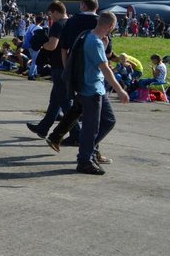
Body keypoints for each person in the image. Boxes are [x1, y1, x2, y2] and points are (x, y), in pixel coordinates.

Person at [47, 11, 129, 175]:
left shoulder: (87, 36)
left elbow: (90, 59)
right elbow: (105, 68)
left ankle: (88, 150)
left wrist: (104, 47)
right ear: (111, 26)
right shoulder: (94, 42)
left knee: (109, 121)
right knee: (91, 128)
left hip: (93, 87)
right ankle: (84, 160)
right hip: (91, 90)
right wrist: (120, 90)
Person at [27, 1, 72, 139]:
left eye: (50, 14)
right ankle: (43, 127)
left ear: (54, 11)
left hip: (58, 65)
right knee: (55, 100)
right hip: (68, 64)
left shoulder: (58, 25)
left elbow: (52, 45)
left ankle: (76, 131)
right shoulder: (71, 23)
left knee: (64, 101)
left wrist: (43, 45)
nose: (50, 17)